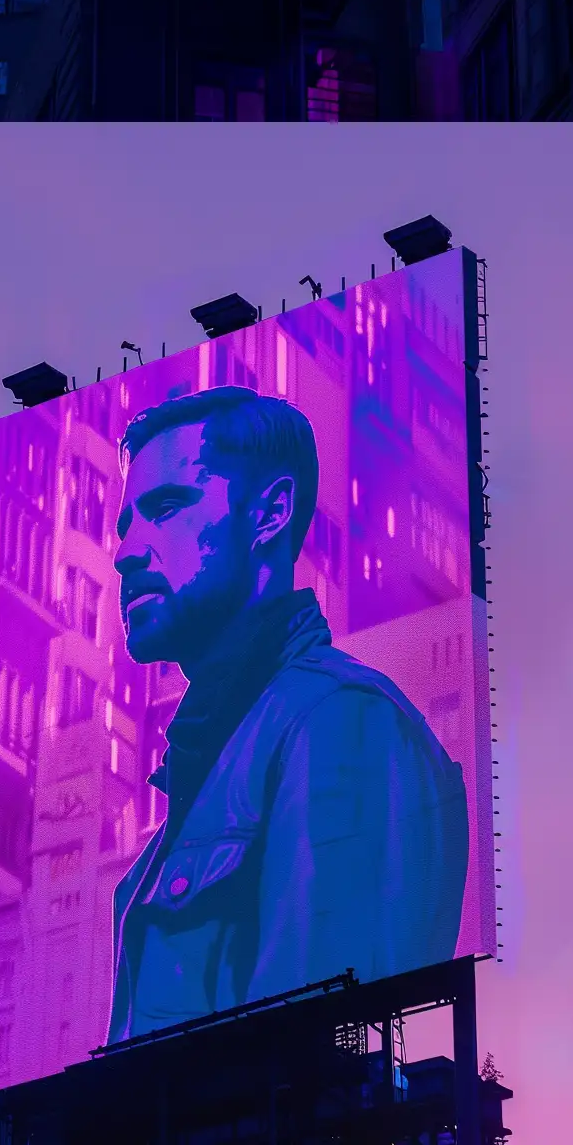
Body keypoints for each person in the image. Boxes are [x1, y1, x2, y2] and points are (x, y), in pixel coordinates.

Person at [107, 386, 467, 1040]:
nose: (126, 551)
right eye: (124, 524)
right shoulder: (197, 789)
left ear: (271, 512)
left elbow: (317, 1065)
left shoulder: (341, 723)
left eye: (164, 507)